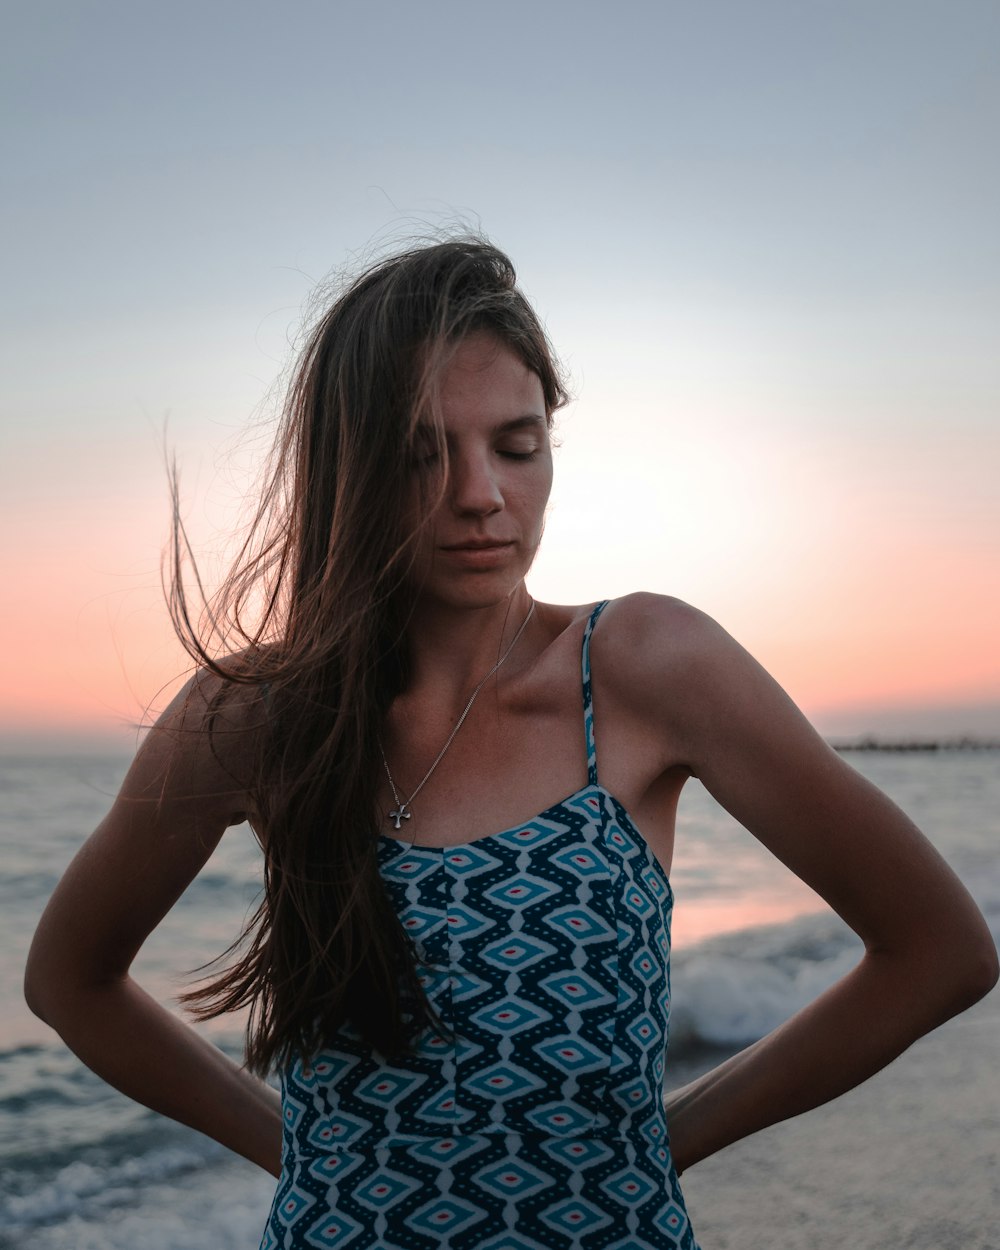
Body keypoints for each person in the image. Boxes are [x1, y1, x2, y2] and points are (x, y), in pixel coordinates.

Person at [24, 238, 998, 1250]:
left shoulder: (645, 667)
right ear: (345, 468)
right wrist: (297, 1151)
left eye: (515, 445)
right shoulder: (262, 716)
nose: (480, 493)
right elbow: (70, 980)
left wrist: (662, 1142)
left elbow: (939, 949)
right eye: (420, 452)